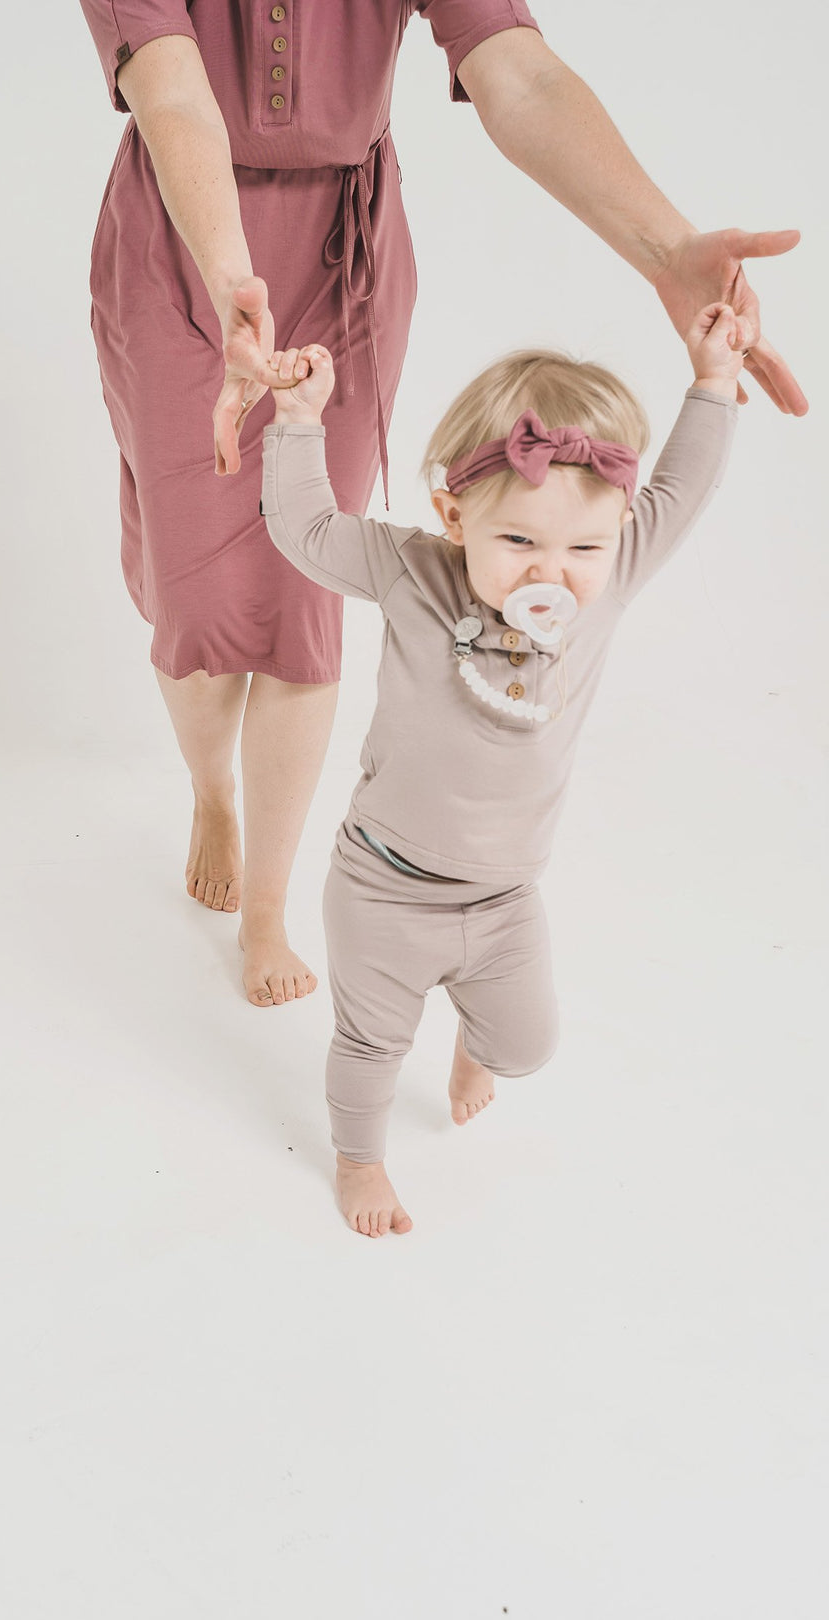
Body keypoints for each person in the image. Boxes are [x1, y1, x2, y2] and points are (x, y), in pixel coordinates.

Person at [76, 1, 804, 1009]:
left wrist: (664, 250)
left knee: (305, 598)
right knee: (192, 599)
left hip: (344, 247)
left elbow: (522, 75)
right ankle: (212, 790)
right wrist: (232, 270)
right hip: (185, 239)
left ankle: (268, 910)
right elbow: (169, 84)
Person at [259, 302, 742, 1235]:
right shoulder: (414, 571)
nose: (550, 577)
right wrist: (298, 422)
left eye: (582, 549)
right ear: (454, 513)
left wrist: (714, 381)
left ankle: (476, 1046)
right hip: (385, 888)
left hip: (505, 899)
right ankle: (359, 1161)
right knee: (370, 1048)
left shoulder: (614, 575)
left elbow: (684, 488)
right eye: (519, 542)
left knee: (529, 1046)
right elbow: (309, 532)